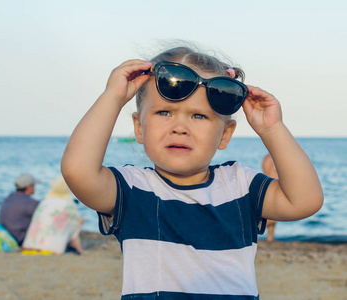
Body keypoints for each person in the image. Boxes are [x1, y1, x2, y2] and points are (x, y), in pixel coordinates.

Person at [61, 44, 324, 299]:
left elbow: (305, 200)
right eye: (164, 112)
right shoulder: (133, 189)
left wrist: (272, 129)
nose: (180, 127)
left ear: (225, 135)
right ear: (139, 128)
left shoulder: (240, 185)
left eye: (198, 116)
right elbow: (77, 171)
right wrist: (112, 98)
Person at [22, 176, 86, 255]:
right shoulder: (69, 204)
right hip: (51, 249)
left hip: (29, 247)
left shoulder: (44, 202)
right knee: (76, 222)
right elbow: (74, 233)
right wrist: (80, 250)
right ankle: (76, 247)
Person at [0, 173, 40, 246]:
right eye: (34, 185)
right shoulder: (31, 203)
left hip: (5, 236)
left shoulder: (8, 199)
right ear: (29, 187)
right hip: (19, 239)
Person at [262, 153, 279, 242]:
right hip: (272, 184)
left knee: (272, 216)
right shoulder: (272, 157)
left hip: (270, 183)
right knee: (273, 217)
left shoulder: (269, 157)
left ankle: (270, 238)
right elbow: (268, 173)